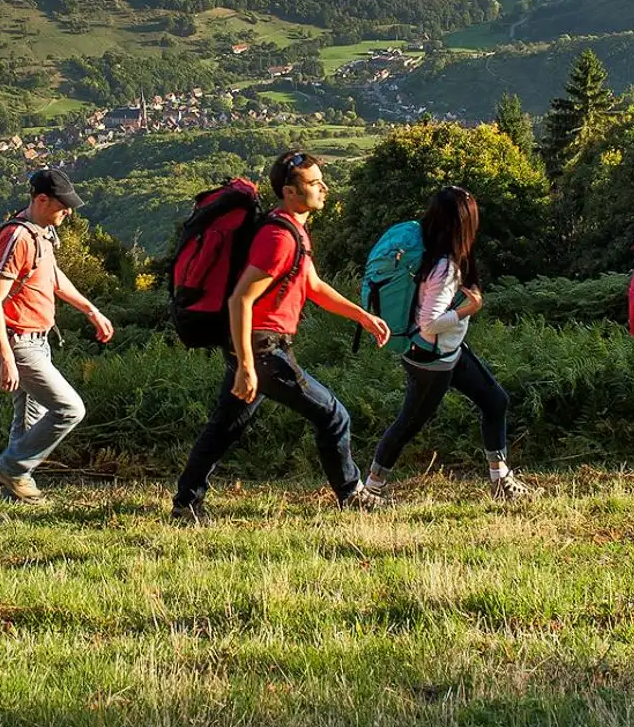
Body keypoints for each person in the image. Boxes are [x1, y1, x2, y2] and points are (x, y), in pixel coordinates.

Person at [172, 151, 391, 523]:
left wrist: (363, 316)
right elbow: (240, 298)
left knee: (224, 428)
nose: (324, 187)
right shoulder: (278, 237)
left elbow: (313, 286)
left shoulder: (293, 230)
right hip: (262, 348)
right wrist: (245, 365)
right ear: (290, 192)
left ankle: (186, 503)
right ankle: (351, 493)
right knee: (333, 416)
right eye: (314, 183)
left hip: (257, 347)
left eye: (321, 180)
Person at [363, 186, 530, 502]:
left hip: (447, 353)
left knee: (495, 401)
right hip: (430, 360)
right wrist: (468, 309)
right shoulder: (445, 268)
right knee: (409, 423)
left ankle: (500, 480)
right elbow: (429, 323)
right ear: (462, 224)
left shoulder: (430, 248)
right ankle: (372, 487)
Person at [0, 167, 115, 501]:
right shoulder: (18, 238)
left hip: (38, 341)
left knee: (28, 424)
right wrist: (8, 359)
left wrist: (91, 310)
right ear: (41, 200)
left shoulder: (41, 233)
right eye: (62, 205)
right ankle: (10, 468)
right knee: (70, 409)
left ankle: (14, 498)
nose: (68, 212)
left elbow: (54, 278)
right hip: (19, 342)